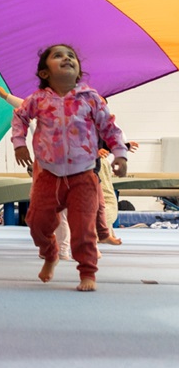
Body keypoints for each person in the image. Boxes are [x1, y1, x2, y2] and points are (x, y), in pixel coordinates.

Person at [12, 44, 128, 292]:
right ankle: (50, 253)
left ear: (78, 72)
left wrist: (120, 153)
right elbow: (20, 117)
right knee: (36, 223)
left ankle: (87, 272)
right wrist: (19, 143)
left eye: (71, 56)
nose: (66, 58)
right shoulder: (38, 100)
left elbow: (109, 127)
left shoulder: (90, 98)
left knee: (83, 229)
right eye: (58, 56)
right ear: (45, 73)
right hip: (48, 174)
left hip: (83, 175)